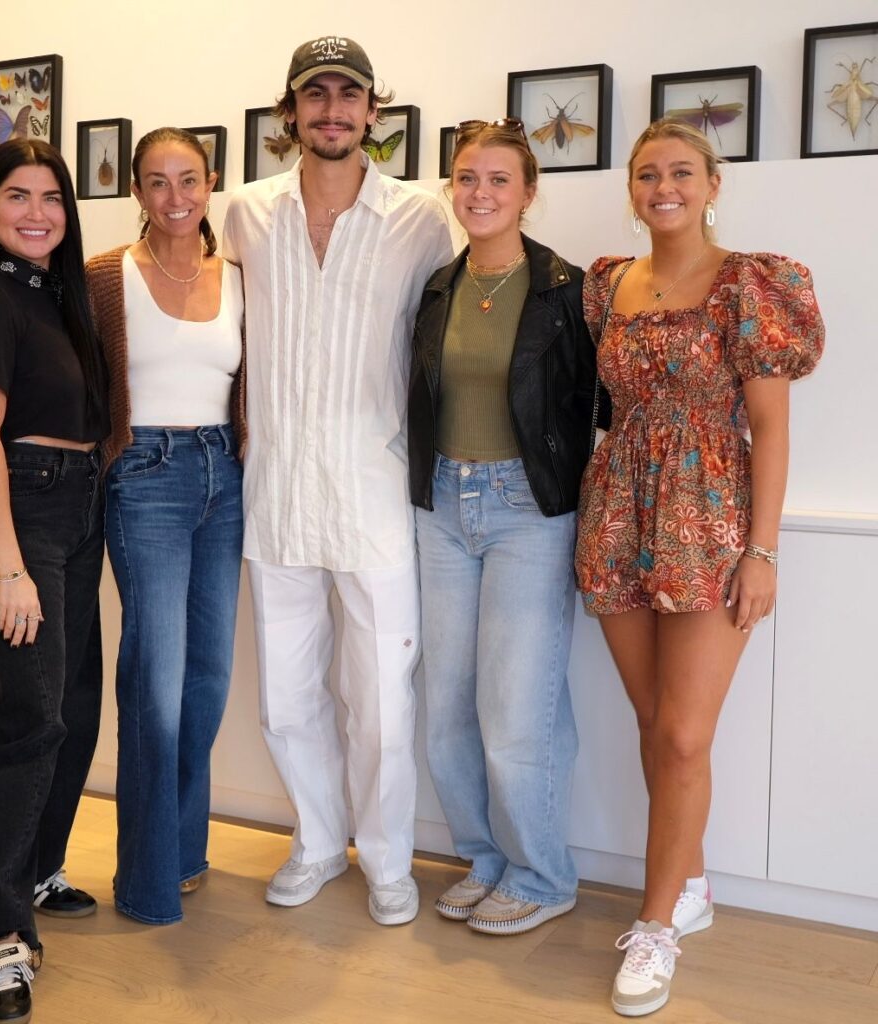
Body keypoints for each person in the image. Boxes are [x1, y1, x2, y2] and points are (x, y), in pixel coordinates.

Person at [574, 120, 824, 1016]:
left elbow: (773, 429)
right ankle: (693, 882)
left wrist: (763, 550)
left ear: (713, 183)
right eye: (648, 173)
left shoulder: (751, 285)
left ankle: (655, 928)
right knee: (652, 721)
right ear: (632, 189)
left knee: (684, 735)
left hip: (711, 520)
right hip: (618, 509)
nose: (664, 186)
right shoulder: (608, 286)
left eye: (682, 171)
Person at [221, 35, 452, 926]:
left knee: (384, 704)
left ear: (372, 113)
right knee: (287, 696)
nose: (331, 110)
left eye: (347, 96)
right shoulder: (242, 212)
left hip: (376, 496)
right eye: (313, 95)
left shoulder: (423, 218)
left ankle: (388, 857)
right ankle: (318, 841)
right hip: (275, 492)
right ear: (290, 113)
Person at [407, 119, 599, 935]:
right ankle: (485, 861)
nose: (478, 193)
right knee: (447, 706)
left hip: (527, 509)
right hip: (444, 503)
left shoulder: (568, 289)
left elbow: (602, 404)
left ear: (527, 192)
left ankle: (542, 873)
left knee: (517, 709)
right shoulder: (438, 288)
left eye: (496, 180)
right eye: (465, 178)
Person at [0, 138, 108, 1024]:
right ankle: (2, 936)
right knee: (22, 720)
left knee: (72, 706)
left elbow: (22, 413)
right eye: (17, 195)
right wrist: (9, 566)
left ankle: (39, 865)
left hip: (82, 504)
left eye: (53, 197)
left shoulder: (57, 297)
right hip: (27, 523)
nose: (38, 212)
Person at [85, 127, 245, 925]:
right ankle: (145, 880)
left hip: (227, 476)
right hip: (145, 477)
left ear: (211, 183)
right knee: (155, 678)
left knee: (208, 677)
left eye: (189, 180)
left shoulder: (241, 276)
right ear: (137, 192)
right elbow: (61, 374)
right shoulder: (105, 277)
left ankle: (183, 848)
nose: (175, 198)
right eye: (157, 182)